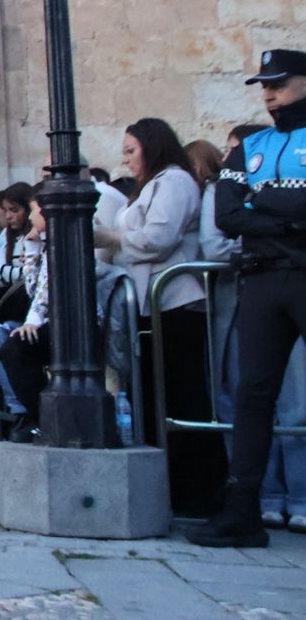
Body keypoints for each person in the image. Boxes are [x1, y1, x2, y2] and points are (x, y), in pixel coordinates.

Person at [189, 49, 306, 547]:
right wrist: (289, 219)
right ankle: (244, 510)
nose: (268, 92)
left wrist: (266, 207)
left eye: (278, 82)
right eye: (264, 84)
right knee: (253, 397)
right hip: (261, 279)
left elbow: (250, 208)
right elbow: (227, 215)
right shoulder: (250, 146)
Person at [95, 116, 221, 515]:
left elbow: (158, 239)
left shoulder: (175, 182)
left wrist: (111, 239)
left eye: (132, 151)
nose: (127, 160)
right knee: (152, 391)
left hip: (175, 303)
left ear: (152, 146)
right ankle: (168, 484)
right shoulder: (149, 187)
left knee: (182, 395)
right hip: (149, 304)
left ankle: (198, 490)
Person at [0, 197, 51, 443]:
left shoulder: (61, 240)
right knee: (5, 342)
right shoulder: (42, 243)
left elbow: (45, 290)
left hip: (59, 323)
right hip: (42, 319)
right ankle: (30, 414)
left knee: (15, 349)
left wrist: (32, 323)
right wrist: (33, 249)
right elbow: (31, 287)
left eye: (34, 210)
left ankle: (41, 417)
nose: (29, 218)